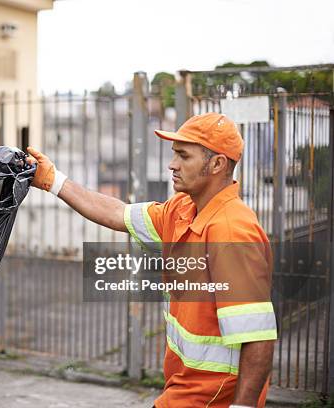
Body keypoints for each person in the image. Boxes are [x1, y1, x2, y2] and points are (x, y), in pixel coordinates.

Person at [26, 112, 277, 408]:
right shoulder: (182, 210)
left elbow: (258, 337)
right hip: (184, 390)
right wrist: (54, 181)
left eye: (184, 156)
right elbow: (117, 213)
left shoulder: (231, 230)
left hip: (213, 399)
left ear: (217, 164)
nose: (172, 165)